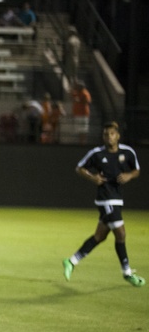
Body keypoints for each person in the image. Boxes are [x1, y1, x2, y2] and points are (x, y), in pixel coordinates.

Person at [62, 122, 143, 287]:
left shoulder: (127, 152)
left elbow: (136, 170)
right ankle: (127, 272)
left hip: (117, 199)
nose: (109, 137)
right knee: (120, 234)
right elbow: (79, 168)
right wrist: (93, 177)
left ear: (118, 136)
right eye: (106, 134)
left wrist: (129, 176)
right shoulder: (97, 153)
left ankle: (71, 261)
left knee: (100, 236)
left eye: (112, 134)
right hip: (106, 198)